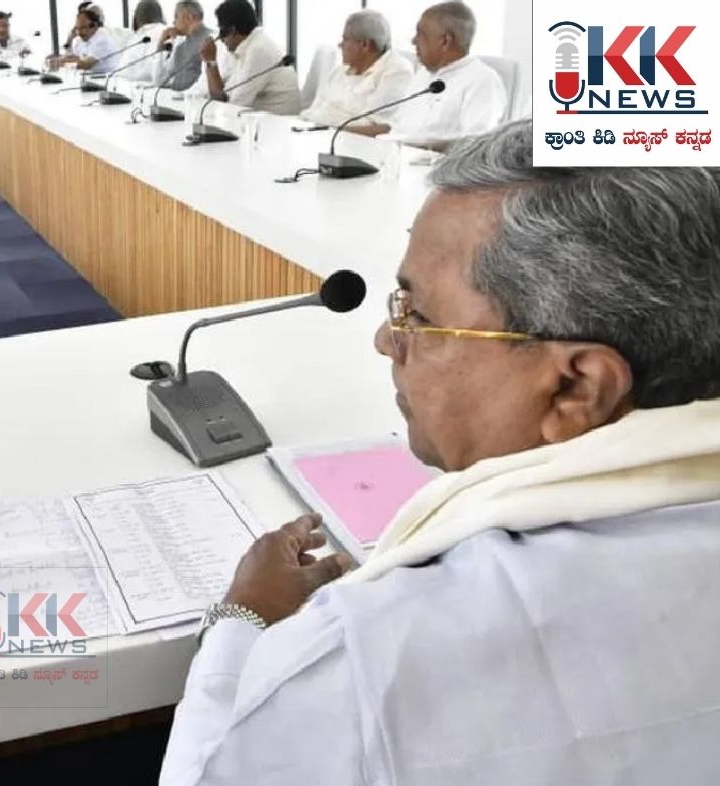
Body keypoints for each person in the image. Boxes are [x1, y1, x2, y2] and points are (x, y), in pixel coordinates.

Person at [159, 119, 720, 784]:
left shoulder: (372, 655)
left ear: (575, 388)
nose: (385, 340)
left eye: (418, 318)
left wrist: (242, 620)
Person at [347, 1, 505, 143]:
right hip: (394, 156)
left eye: (420, 34)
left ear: (445, 41)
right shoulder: (423, 74)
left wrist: (416, 144)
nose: (413, 41)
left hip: (435, 164)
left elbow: (476, 145)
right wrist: (342, 132)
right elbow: (396, 129)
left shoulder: (482, 80)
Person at [300, 10, 413, 126]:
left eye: (345, 39)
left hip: (344, 135)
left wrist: (327, 126)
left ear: (365, 45)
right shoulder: (339, 71)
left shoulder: (397, 71)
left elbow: (372, 123)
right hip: (316, 131)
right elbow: (315, 110)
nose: (340, 45)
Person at [193, 0, 299, 114]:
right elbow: (224, 95)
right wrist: (211, 62)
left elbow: (232, 105)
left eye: (222, 32)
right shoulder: (246, 47)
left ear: (232, 30)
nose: (221, 40)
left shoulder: (259, 50)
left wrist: (211, 61)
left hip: (279, 121)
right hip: (261, 119)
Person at [154, 1, 213, 90]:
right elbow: (159, 81)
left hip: (195, 97)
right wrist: (161, 44)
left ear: (190, 17)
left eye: (176, 17)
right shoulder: (180, 47)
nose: (174, 22)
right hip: (173, 96)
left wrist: (183, 95)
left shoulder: (213, 41)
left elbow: (207, 84)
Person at [48, 7, 119, 74]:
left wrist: (61, 63)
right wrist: (58, 59)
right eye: (77, 28)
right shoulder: (79, 40)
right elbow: (75, 58)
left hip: (107, 79)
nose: (79, 32)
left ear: (94, 26)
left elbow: (85, 64)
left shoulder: (103, 40)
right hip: (87, 78)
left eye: (82, 28)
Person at [117, 1, 168, 82]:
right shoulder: (168, 32)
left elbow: (122, 72)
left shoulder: (135, 39)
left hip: (140, 86)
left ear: (136, 17)